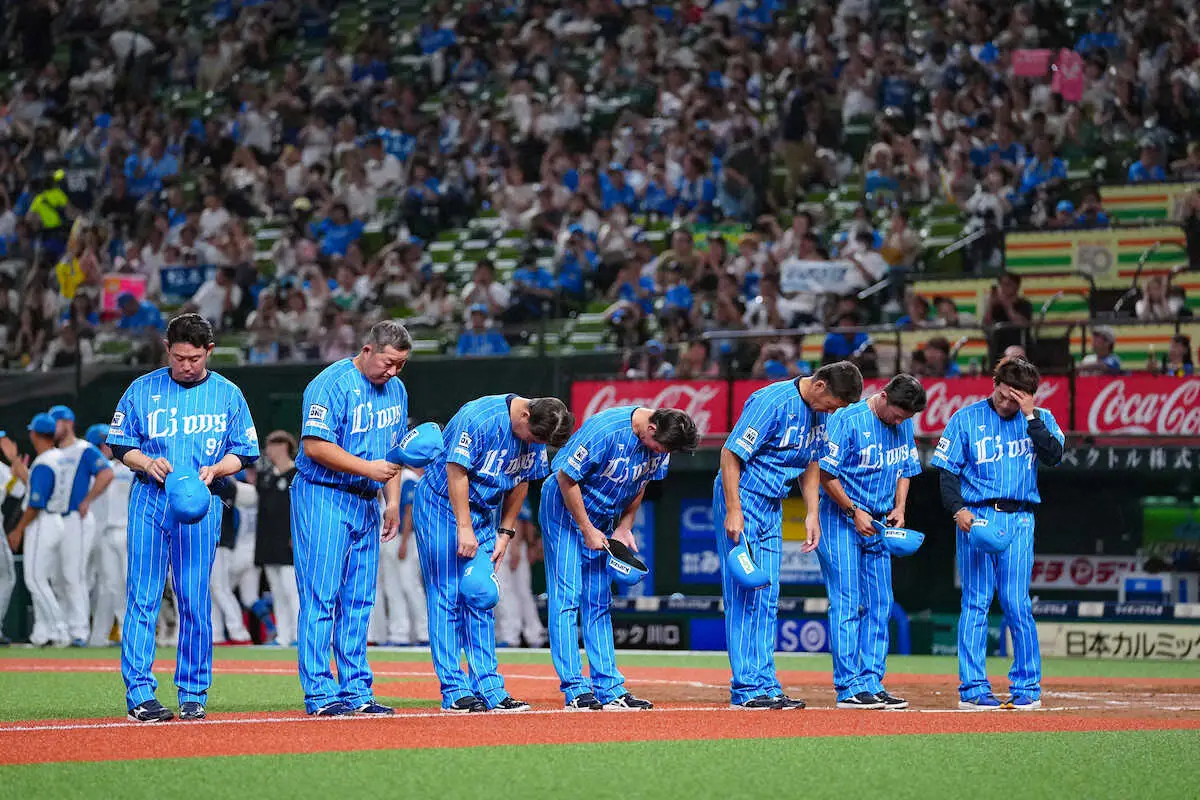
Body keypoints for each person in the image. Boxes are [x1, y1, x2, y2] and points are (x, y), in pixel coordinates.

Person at [107, 312, 260, 722]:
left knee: (194, 599)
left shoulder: (228, 394)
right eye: (178, 357)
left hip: (200, 503)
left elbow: (243, 451)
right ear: (167, 349)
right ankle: (140, 694)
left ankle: (193, 692)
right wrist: (144, 461)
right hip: (151, 499)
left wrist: (219, 469)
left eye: (194, 358)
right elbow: (120, 445)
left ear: (209, 351)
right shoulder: (142, 389)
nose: (186, 365)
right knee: (144, 596)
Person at [713, 362, 864, 709]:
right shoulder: (773, 401)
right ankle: (746, 688)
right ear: (821, 385)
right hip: (742, 497)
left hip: (772, 504)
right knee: (744, 593)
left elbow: (812, 461)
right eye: (834, 403)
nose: (834, 410)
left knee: (767, 595)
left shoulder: (818, 412)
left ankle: (765, 683)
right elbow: (730, 454)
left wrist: (812, 511)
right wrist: (733, 509)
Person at [413, 394, 573, 713]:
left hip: (486, 512)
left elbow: (522, 480)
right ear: (525, 414)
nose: (534, 444)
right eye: (534, 437)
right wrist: (463, 527)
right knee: (447, 595)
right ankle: (455, 690)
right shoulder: (478, 417)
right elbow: (455, 471)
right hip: (442, 506)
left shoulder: (537, 430)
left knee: (481, 593)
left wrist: (506, 531)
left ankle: (489, 687)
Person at [541, 406, 700, 710]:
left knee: (599, 600)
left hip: (604, 515)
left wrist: (625, 526)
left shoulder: (660, 442)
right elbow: (565, 477)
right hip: (563, 508)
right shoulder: (606, 430)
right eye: (660, 447)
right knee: (567, 597)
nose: (661, 453)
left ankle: (608, 688)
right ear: (651, 428)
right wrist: (586, 528)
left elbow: (641, 483)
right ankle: (575, 689)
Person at [931, 357, 1064, 710]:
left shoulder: (1041, 419)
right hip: (977, 517)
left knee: (1017, 603)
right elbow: (946, 473)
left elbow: (1053, 456)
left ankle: (1027, 686)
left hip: (1019, 519)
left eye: (1016, 399)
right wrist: (958, 510)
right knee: (975, 603)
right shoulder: (966, 418)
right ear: (996, 384)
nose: (1008, 404)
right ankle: (973, 689)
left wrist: (1031, 415)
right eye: (1004, 395)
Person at [292, 320, 410, 716]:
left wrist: (391, 501)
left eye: (401, 365)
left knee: (359, 600)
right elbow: (314, 446)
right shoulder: (330, 383)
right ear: (367, 350)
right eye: (389, 362)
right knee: (321, 596)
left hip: (366, 500)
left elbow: (395, 452)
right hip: (323, 494)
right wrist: (368, 471)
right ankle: (321, 694)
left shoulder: (396, 390)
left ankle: (356, 691)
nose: (393, 371)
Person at [817, 375, 927, 710]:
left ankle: (871, 681)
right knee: (848, 602)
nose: (899, 421)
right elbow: (825, 473)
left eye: (905, 418)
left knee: (881, 603)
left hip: (879, 522)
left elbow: (906, 469)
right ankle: (849, 686)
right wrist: (853, 511)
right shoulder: (847, 419)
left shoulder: (902, 425)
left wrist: (900, 507)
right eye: (897, 414)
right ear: (882, 396)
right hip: (841, 518)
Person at [48, 404, 113, 647]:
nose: (53, 428)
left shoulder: (84, 449)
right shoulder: (53, 454)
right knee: (57, 577)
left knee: (74, 574)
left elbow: (106, 473)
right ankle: (62, 628)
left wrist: (88, 499)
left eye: (56, 422)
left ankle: (79, 630)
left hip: (78, 518)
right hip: (57, 518)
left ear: (67, 422)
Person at [6, 414, 71, 648]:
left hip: (43, 522)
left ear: (34, 434)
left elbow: (36, 503)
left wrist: (18, 530)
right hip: (56, 520)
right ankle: (41, 633)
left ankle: (61, 630)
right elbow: (36, 484)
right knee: (42, 579)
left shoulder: (44, 462)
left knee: (35, 579)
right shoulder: (58, 457)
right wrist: (16, 462)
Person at [84, 424, 133, 647]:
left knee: (129, 583)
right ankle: (120, 630)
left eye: (106, 444)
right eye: (100, 445)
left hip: (127, 530)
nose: (104, 448)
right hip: (102, 534)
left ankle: (136, 632)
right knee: (111, 585)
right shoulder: (91, 473)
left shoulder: (128, 468)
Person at [372, 466, 429, 646]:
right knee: (392, 587)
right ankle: (400, 633)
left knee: (409, 584)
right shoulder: (390, 476)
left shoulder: (409, 478)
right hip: (388, 536)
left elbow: (409, 511)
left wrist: (404, 541)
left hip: (405, 537)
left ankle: (424, 631)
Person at [254, 431, 301, 648]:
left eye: (271, 445)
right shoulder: (266, 477)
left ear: (283, 446)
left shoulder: (297, 475)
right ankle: (283, 636)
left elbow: (302, 509)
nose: (267, 450)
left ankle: (300, 637)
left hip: (290, 543)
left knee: (293, 591)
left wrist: (297, 535)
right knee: (278, 593)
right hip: (268, 543)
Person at [494, 500, 545, 649]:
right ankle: (532, 634)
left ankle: (511, 635)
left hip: (507, 539)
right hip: (509, 539)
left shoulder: (510, 483)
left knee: (505, 590)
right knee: (518, 591)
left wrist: (516, 545)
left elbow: (518, 515)